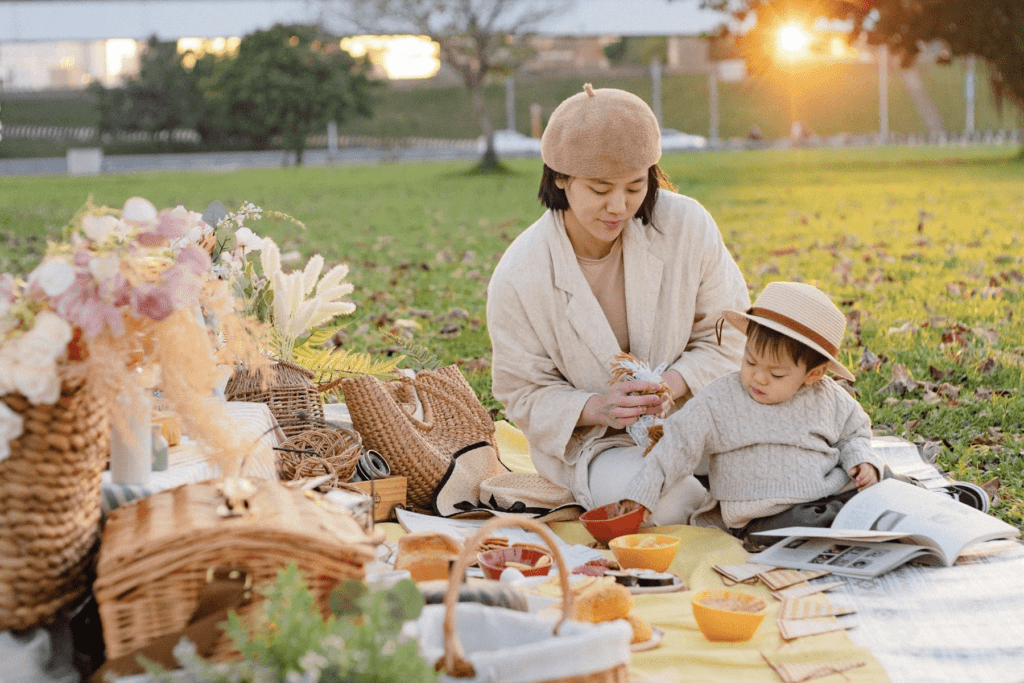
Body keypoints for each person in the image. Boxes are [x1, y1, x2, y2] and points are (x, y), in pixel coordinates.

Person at [486, 84, 750, 525]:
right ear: (560, 178)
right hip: (601, 444)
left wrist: (673, 383)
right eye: (600, 188)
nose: (619, 206)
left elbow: (730, 337)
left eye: (634, 187)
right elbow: (522, 393)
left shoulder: (687, 226)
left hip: (701, 416)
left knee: (782, 472)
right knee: (667, 506)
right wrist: (599, 408)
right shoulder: (520, 274)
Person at [621, 281, 885, 538]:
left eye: (777, 374)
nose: (758, 378)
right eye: (750, 361)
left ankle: (869, 509)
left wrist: (862, 461)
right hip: (761, 514)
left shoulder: (830, 398)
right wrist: (643, 493)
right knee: (807, 523)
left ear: (813, 375)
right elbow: (677, 443)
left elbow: (854, 433)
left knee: (884, 482)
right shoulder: (719, 400)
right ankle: (852, 519)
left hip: (825, 492)